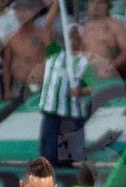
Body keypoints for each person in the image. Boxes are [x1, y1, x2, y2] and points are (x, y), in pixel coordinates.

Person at [38, 24, 94, 165]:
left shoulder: (85, 62)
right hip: (52, 108)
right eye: (70, 37)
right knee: (49, 153)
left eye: (77, 37)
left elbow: (92, 87)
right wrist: (55, 9)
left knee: (70, 155)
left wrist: (80, 92)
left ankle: (69, 174)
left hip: (72, 112)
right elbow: (47, 29)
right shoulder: (54, 54)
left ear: (81, 40)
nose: (73, 40)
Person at [1, 0, 55, 100]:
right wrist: (7, 90)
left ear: (33, 11)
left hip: (38, 84)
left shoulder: (43, 35)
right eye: (19, 10)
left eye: (25, 10)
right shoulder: (11, 38)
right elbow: (6, 66)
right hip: (18, 85)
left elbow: (53, 60)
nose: (22, 14)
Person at [83, 0, 126, 78]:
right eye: (92, 2)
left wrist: (110, 67)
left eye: (100, 2)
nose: (95, 6)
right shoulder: (84, 27)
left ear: (107, 5)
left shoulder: (115, 25)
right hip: (85, 76)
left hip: (105, 77)